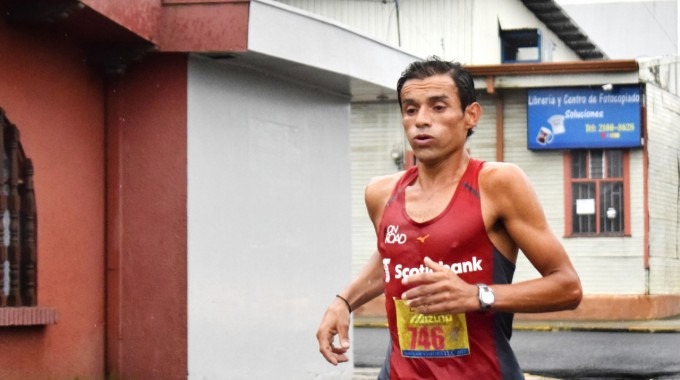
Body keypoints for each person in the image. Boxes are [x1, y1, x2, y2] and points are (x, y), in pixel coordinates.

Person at [316, 57, 582, 379]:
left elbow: (567, 287)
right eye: (410, 109)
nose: (421, 121)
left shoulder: (498, 184)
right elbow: (393, 257)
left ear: (471, 115)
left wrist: (476, 295)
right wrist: (344, 301)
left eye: (438, 107)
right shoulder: (381, 193)